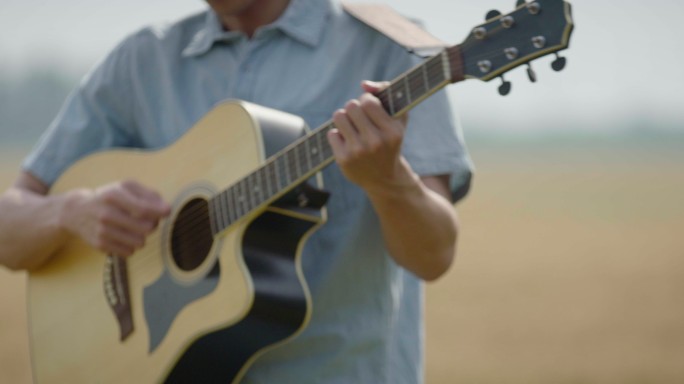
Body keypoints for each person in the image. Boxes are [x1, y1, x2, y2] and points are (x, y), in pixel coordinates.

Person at [0, 0, 472, 382]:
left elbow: (433, 255)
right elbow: (9, 227)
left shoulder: (393, 49)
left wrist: (388, 182)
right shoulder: (141, 62)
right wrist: (70, 212)